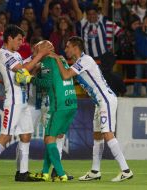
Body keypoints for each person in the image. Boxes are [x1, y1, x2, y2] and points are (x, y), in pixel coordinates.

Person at [50, 36, 133, 182]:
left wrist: (57, 59)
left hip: (105, 100)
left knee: (107, 133)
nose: (65, 49)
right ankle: (95, 171)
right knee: (97, 136)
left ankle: (125, 170)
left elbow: (66, 75)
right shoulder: (79, 62)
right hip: (99, 102)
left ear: (76, 47)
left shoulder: (85, 60)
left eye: (68, 46)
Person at [0, 24, 51, 182]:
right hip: (13, 101)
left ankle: (22, 173)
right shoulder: (2, 54)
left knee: (26, 135)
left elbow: (27, 69)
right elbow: (22, 70)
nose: (21, 42)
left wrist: (37, 57)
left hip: (23, 101)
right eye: (18, 39)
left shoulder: (16, 54)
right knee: (5, 136)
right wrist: (40, 55)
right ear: (9, 38)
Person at [15, 40, 77, 182]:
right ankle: (44, 172)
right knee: (54, 137)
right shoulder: (60, 59)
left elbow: (47, 84)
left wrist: (29, 78)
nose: (34, 53)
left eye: (37, 50)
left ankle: (61, 174)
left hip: (56, 105)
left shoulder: (47, 61)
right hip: (70, 103)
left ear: (45, 49)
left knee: (49, 139)